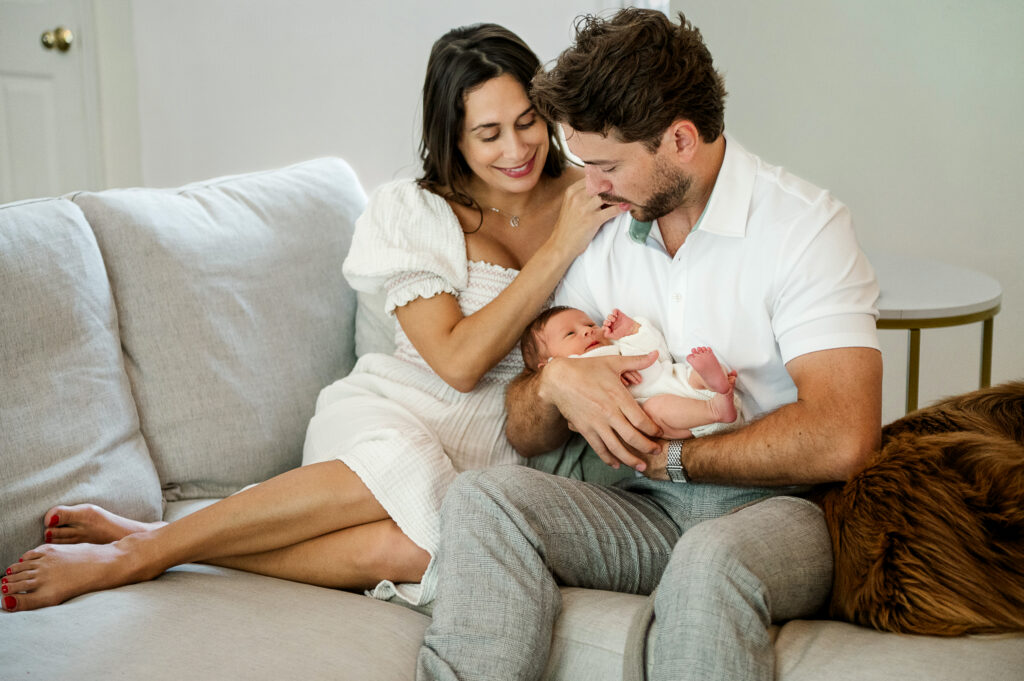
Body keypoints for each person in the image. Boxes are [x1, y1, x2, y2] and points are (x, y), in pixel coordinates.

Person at [0, 23, 624, 613]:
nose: (517, 150)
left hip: (489, 452)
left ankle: (170, 533)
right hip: (395, 413)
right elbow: (459, 365)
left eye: (527, 122)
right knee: (402, 461)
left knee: (419, 551)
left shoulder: (589, 193)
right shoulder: (417, 209)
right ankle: (140, 554)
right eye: (489, 135)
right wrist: (558, 249)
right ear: (453, 139)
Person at [417, 9, 882, 681]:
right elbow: (523, 430)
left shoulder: (803, 229)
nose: (589, 185)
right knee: (482, 499)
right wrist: (553, 385)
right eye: (583, 163)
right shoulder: (604, 227)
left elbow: (843, 434)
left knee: (711, 561)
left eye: (606, 165)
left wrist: (677, 457)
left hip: (779, 511)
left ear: (681, 140)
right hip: (636, 507)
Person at [519, 305, 741, 438]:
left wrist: (633, 331)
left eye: (590, 324)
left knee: (691, 373)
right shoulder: (575, 371)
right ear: (548, 365)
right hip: (668, 415)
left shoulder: (617, 347)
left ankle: (713, 381)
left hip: (677, 380)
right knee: (658, 408)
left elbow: (655, 353)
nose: (587, 331)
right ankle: (715, 409)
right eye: (570, 334)